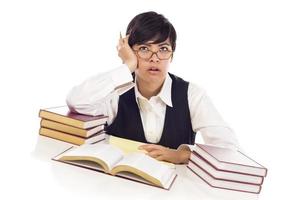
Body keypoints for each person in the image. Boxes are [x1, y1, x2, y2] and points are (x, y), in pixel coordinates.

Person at [66, 11, 239, 164]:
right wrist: (127, 66)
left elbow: (227, 148)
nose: (154, 58)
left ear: (172, 55)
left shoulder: (192, 95)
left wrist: (184, 155)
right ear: (130, 52)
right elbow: (77, 102)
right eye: (144, 48)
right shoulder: (117, 91)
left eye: (163, 49)